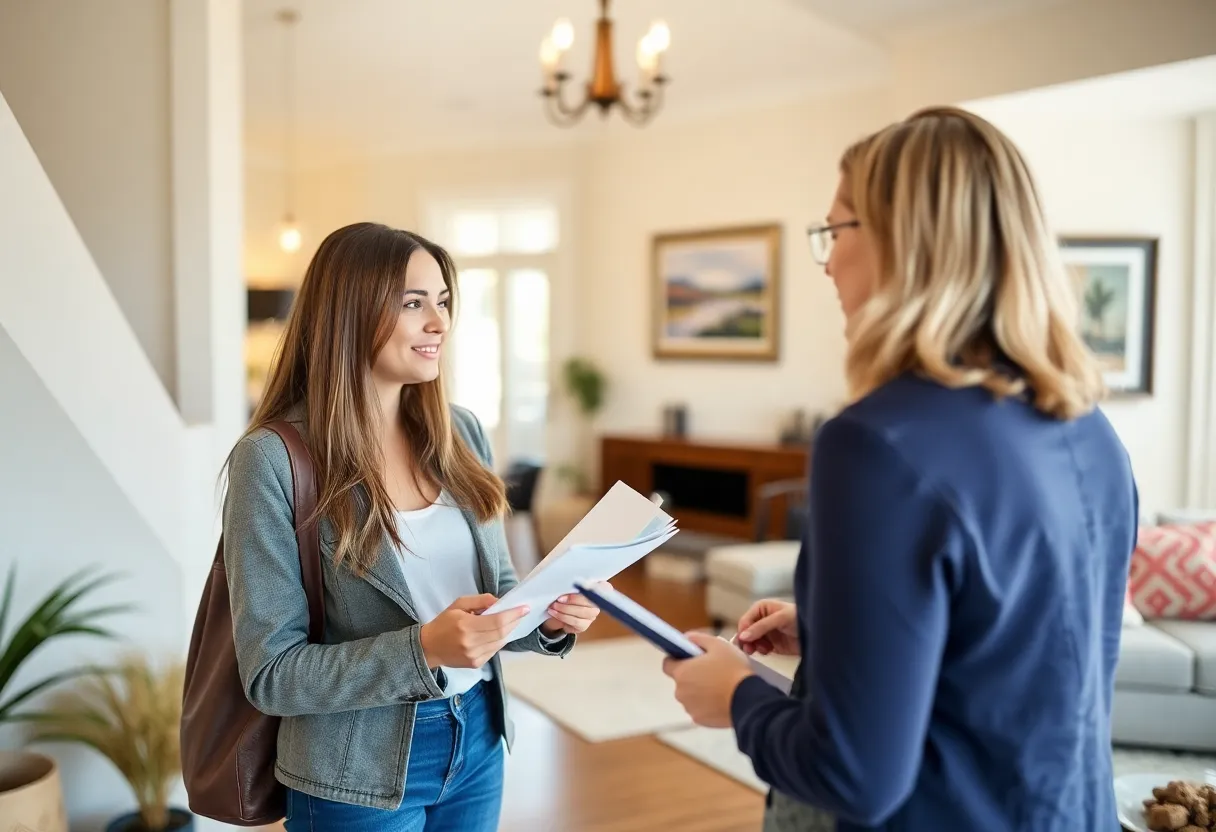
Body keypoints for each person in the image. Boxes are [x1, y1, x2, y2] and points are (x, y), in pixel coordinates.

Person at [661, 106, 1138, 831]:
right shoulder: (1089, 427)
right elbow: (1016, 644)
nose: (825, 261)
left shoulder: (877, 445)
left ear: (904, 239)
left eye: (835, 231)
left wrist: (735, 697)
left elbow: (855, 775)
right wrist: (837, 632)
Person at [222, 221, 602, 831]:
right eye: (413, 303)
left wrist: (546, 618)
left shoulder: (461, 432)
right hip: (355, 769)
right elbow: (271, 674)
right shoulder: (273, 458)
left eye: (444, 301)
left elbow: (497, 591)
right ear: (348, 314)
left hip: (477, 735)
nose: (440, 323)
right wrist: (423, 649)